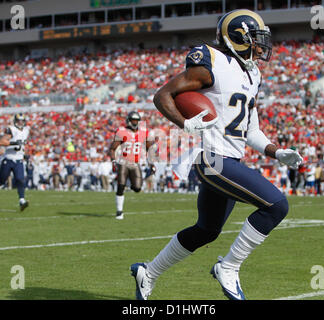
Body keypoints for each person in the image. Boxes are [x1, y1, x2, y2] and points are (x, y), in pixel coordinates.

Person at [130, 9, 303, 300]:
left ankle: (148, 273)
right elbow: (162, 95)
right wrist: (185, 123)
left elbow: (251, 131)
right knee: (276, 206)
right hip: (211, 158)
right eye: (256, 39)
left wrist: (277, 152)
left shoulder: (252, 73)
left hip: (230, 159)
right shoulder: (212, 60)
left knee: (207, 230)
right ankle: (229, 267)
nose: (262, 46)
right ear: (238, 37)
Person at [109, 111, 155, 220]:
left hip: (135, 163)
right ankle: (119, 211)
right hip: (123, 162)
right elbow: (112, 149)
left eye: (137, 121)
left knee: (137, 188)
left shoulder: (144, 132)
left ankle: (129, 183)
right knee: (120, 186)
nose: (135, 122)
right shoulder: (122, 131)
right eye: (133, 120)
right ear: (129, 121)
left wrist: (151, 163)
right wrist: (113, 161)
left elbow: (149, 148)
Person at [0, 113, 30, 211]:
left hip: (19, 160)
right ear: (15, 121)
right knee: (1, 181)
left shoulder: (26, 131)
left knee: (20, 179)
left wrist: (25, 154)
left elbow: (23, 145)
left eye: (22, 121)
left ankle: (22, 200)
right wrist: (14, 143)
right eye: (19, 121)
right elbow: (2, 142)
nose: (20, 123)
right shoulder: (11, 129)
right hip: (8, 159)